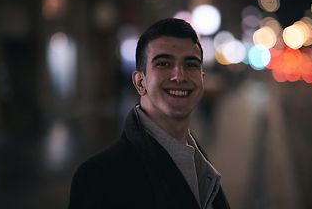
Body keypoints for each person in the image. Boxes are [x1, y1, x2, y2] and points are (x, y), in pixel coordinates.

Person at [68, 18, 230, 209]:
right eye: (164, 64)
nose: (179, 76)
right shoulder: (101, 176)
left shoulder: (199, 161)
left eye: (191, 65)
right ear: (140, 82)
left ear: (202, 80)